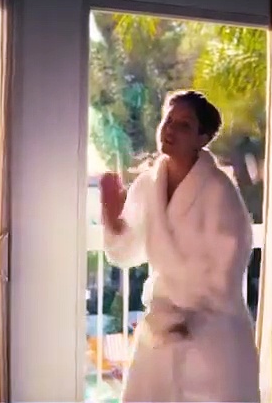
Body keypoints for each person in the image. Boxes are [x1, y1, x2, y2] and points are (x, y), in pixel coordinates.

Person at [99, 90, 260, 402]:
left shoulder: (219, 191)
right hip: (161, 329)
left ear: (203, 138)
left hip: (213, 329)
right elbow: (127, 254)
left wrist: (190, 317)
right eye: (168, 120)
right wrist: (114, 220)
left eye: (183, 125)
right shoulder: (148, 185)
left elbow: (227, 268)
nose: (170, 129)